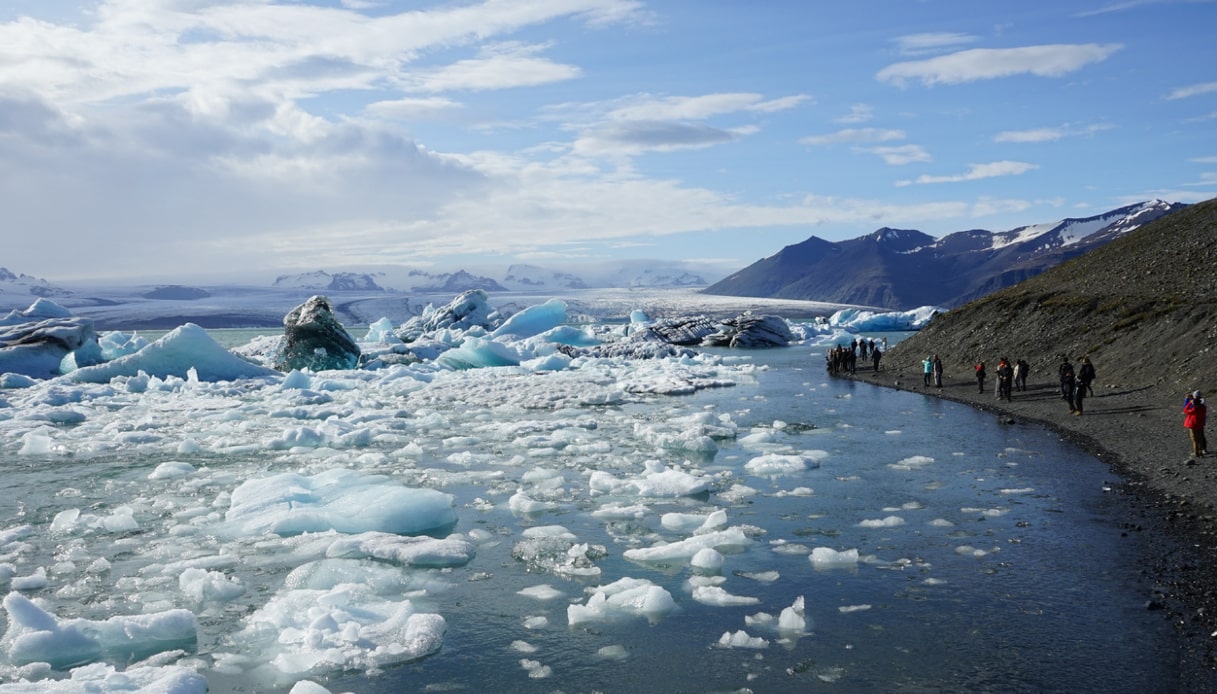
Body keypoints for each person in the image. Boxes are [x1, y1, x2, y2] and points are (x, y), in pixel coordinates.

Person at [1184, 391, 1208, 458]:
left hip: (1193, 424)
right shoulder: (1203, 408)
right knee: (1200, 437)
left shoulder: (1194, 409)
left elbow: (1185, 410)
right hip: (1200, 424)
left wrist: (1189, 402)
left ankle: (1196, 452)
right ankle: (1201, 451)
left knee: (1194, 439)